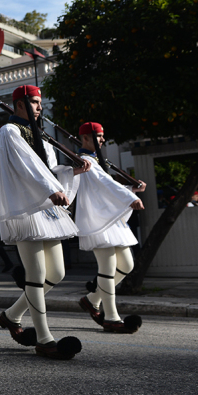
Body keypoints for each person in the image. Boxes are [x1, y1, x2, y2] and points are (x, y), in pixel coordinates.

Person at [0, 85, 90, 360]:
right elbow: (25, 166)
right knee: (36, 274)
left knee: (57, 273)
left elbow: (49, 169)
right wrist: (47, 189)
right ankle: (44, 338)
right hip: (26, 209)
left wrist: (71, 171)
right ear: (19, 105)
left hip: (45, 208)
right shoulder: (9, 131)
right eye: (33, 102)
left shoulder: (38, 133)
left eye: (40, 102)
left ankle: (11, 315)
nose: (39, 107)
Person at [73, 122, 147, 334]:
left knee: (126, 264)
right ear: (86, 138)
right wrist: (129, 196)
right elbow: (106, 184)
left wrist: (131, 189)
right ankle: (111, 318)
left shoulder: (96, 160)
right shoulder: (86, 160)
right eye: (99, 136)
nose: (103, 139)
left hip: (109, 216)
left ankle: (92, 299)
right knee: (107, 267)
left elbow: (107, 185)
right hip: (98, 218)